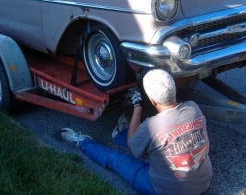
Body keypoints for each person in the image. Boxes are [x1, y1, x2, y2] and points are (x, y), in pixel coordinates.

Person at [61, 69, 212, 195]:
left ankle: (82, 142)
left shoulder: (152, 126)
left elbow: (133, 147)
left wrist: (137, 106)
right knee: (157, 144)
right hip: (203, 182)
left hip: (163, 190)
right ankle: (120, 133)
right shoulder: (193, 108)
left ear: (152, 101)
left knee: (115, 159)